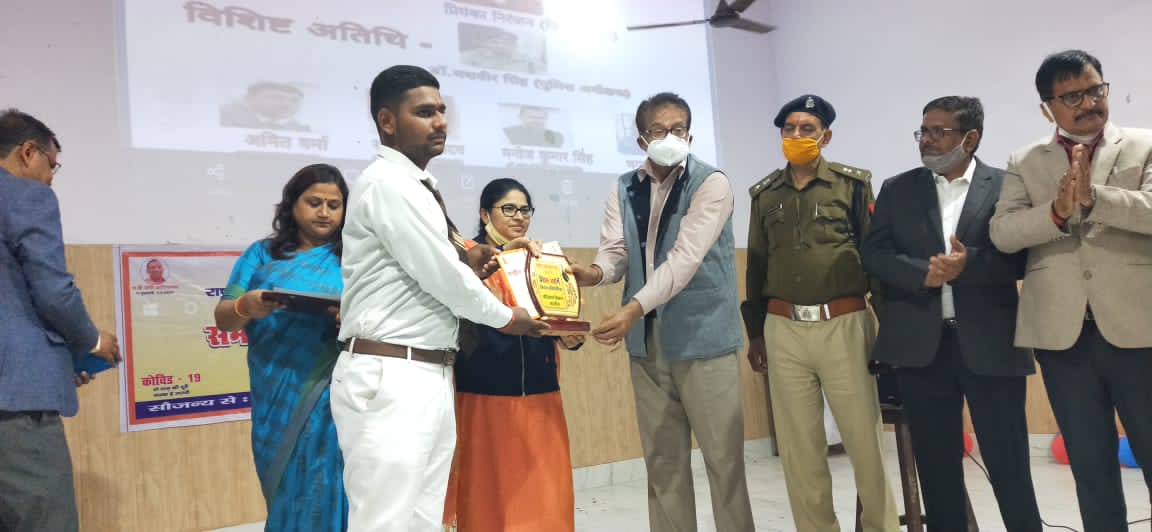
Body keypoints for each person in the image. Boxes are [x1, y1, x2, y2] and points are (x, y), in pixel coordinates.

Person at [331, 65, 547, 532]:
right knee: (384, 522)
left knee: (423, 520)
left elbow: (434, 266)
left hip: (427, 369)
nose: (440, 122)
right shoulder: (388, 183)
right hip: (392, 372)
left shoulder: (415, 186)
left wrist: (466, 259)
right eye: (425, 112)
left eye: (442, 111)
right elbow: (443, 279)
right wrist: (508, 317)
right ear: (387, 121)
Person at [569, 92, 755, 532]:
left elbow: (684, 260)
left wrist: (631, 309)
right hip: (647, 346)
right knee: (662, 464)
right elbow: (616, 252)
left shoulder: (711, 184)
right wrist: (592, 273)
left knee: (724, 463)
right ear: (641, 139)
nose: (670, 137)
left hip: (704, 340)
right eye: (659, 130)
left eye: (678, 129)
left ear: (690, 135)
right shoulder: (624, 187)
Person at [989, 49, 1152, 532]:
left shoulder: (1144, 144)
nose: (1089, 103)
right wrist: (1056, 213)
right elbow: (1003, 232)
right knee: (1089, 462)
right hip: (1063, 335)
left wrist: (1095, 199)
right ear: (1048, 108)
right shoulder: (1024, 161)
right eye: (1073, 97)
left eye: (1095, 90)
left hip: (1138, 324)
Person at [862, 96, 1041, 531]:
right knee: (937, 469)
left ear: (970, 138)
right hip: (922, 350)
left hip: (991, 344)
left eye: (938, 131)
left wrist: (969, 264)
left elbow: (1024, 257)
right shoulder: (898, 188)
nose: (925, 139)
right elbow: (874, 254)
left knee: (1009, 465)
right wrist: (921, 273)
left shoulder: (1006, 186)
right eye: (922, 131)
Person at [743, 94, 898, 531]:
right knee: (799, 450)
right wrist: (756, 333)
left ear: (825, 137)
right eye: (789, 129)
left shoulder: (852, 186)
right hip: (783, 329)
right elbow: (757, 265)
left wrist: (890, 331)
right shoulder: (765, 194)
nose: (796, 135)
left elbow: (875, 260)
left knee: (864, 442)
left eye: (807, 129)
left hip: (844, 324)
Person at [0, 108, 120, 531]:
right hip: (15, 407)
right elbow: (53, 290)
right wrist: (92, 342)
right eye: (52, 165)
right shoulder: (26, 196)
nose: (52, 178)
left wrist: (54, 365)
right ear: (28, 152)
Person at [213, 163, 350, 531]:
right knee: (286, 484)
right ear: (292, 205)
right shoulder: (261, 255)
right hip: (276, 389)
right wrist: (246, 306)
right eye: (314, 202)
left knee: (330, 483)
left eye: (334, 205)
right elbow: (225, 317)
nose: (324, 212)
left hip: (333, 389)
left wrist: (352, 318)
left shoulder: (354, 258)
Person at [442, 178, 584, 531]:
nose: (519, 217)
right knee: (488, 498)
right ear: (484, 214)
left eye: (525, 209)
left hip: (541, 394)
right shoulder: (468, 258)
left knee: (546, 500)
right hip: (483, 394)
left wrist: (569, 337)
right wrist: (502, 256)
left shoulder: (542, 260)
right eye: (508, 209)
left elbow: (558, 319)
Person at [219, 82, 310, 132]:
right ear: (249, 98)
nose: (286, 104)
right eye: (276, 98)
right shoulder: (225, 120)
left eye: (294, 100)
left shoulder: (302, 131)